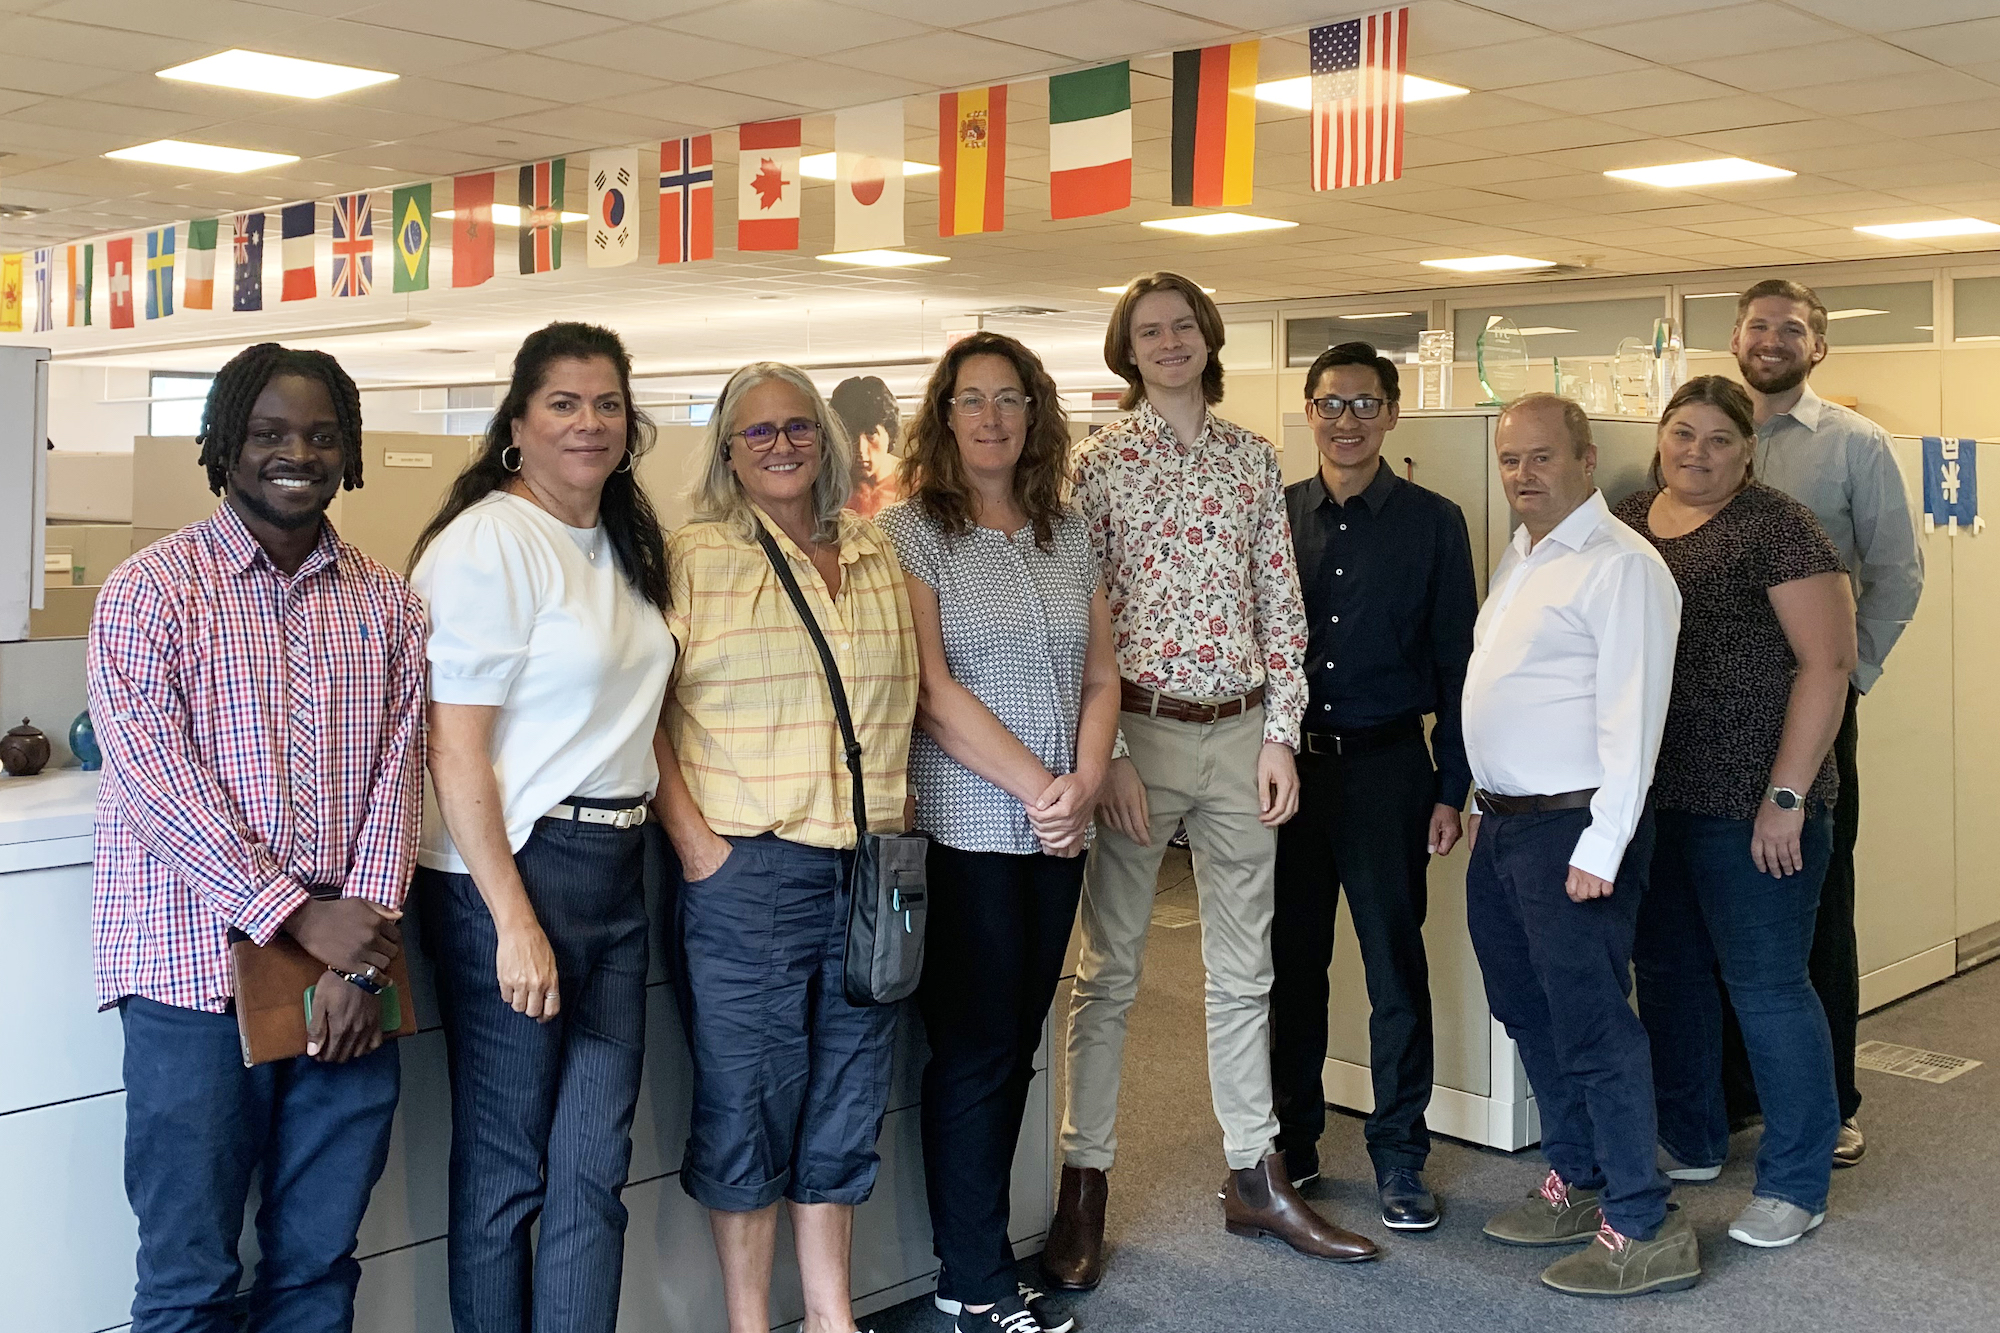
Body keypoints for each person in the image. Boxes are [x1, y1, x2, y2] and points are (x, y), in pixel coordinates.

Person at [1045, 271, 1378, 1292]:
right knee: (1106, 974)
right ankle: (1081, 1183)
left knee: (1247, 972)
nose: (1168, 342)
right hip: (1138, 737)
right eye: (1148, 331)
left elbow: (1280, 606)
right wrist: (1104, 756)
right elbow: (1084, 619)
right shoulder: (1099, 469)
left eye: (1181, 326)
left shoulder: (1250, 460)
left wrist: (1278, 736)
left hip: (1240, 737)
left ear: (1207, 337)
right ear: (1126, 349)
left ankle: (1253, 1173)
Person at [87, 343, 425, 1332]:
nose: (298, 454)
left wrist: (355, 965)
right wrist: (296, 916)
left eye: (321, 435)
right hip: (188, 978)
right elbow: (156, 783)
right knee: (190, 1275)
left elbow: (395, 785)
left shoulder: (387, 600)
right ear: (225, 444)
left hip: (345, 987)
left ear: (348, 450)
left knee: (318, 1266)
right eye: (270, 432)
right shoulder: (151, 590)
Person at [409, 322, 675, 1333]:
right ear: (516, 422)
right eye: (562, 402)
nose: (588, 421)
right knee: (507, 1169)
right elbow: (453, 749)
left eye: (606, 402)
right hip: (512, 872)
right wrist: (510, 917)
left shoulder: (619, 538)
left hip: (614, 866)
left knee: (591, 1171)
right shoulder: (488, 540)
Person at [653, 362, 920, 1333]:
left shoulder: (880, 553)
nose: (780, 444)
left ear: (828, 439)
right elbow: (642, 712)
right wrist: (693, 842)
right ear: (727, 449)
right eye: (756, 431)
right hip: (748, 870)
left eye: (797, 426)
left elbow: (909, 699)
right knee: (749, 1098)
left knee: (849, 1091)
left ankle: (830, 1316)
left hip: (874, 868)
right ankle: (747, 1322)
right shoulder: (694, 555)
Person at [876, 332, 1120, 1333]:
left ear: (1033, 416)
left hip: (1056, 839)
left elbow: (1101, 676)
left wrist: (1085, 782)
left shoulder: (1068, 534)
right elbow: (930, 692)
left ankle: (976, 1264)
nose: (989, 417)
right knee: (973, 1051)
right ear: (943, 417)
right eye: (969, 400)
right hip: (969, 832)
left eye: (1008, 399)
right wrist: (1038, 787)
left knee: (1017, 1043)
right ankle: (970, 1275)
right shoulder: (910, 535)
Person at [1616, 376, 1856, 1250]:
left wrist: (1786, 798)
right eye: (1684, 433)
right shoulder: (1633, 516)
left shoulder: (1779, 526)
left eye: (1721, 439)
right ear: (1661, 436)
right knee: (1671, 974)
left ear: (1748, 449)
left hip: (1756, 806)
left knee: (1767, 987)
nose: (1699, 452)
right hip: (1655, 799)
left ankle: (1799, 1179)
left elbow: (1827, 665)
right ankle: (1692, 1135)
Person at [1462, 393, 1694, 1298]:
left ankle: (1644, 1220)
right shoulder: (1524, 556)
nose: (1523, 474)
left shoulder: (1620, 566)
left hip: (1575, 831)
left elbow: (1634, 719)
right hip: (1505, 826)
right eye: (1511, 459)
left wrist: (1604, 844)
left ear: (1587, 460)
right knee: (1526, 1009)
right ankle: (1580, 1172)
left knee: (1595, 1025)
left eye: (1542, 457)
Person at [1270, 341, 1477, 1231]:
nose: (1346, 421)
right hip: (1289, 773)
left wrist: (1453, 785)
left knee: (1395, 968)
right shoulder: (1273, 518)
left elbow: (1458, 664)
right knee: (1292, 967)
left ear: (1392, 414)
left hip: (1393, 769)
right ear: (1309, 413)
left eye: (1363, 404)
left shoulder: (1435, 522)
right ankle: (1297, 1143)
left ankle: (1399, 1156)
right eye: (1329, 404)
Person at [1727, 278, 1923, 1168]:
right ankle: (1735, 1094)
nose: (1772, 340)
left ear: (1821, 346)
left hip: (1811, 714)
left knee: (1816, 907)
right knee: (1716, 903)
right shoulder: (1697, 429)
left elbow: (1898, 573)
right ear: (1735, 336)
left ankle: (1833, 1099)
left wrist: (1850, 680)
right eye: (1759, 326)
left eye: (1791, 329)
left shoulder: (1855, 445)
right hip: (1706, 718)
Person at [832, 374, 902, 518]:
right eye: (850, 435)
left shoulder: (919, 485)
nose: (860, 450)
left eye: (871, 433)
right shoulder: (826, 487)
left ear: (889, 432)